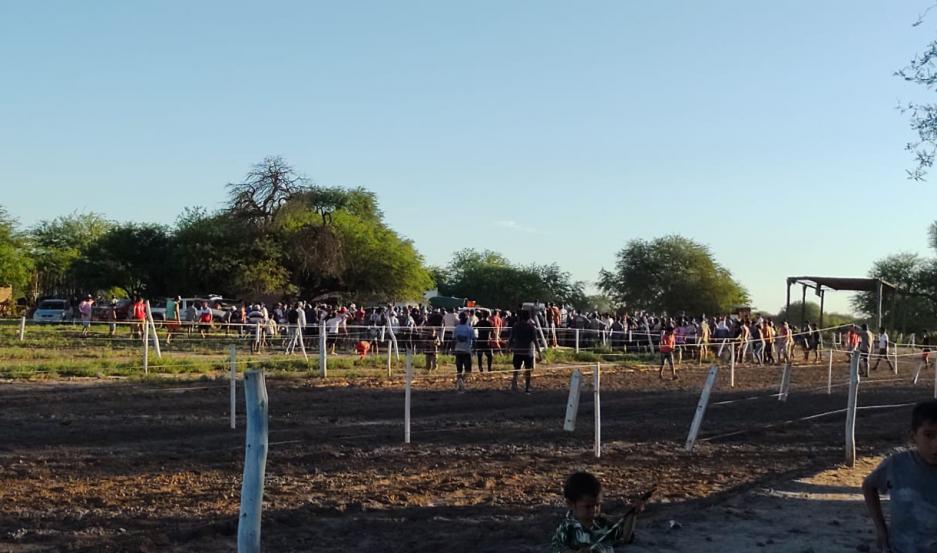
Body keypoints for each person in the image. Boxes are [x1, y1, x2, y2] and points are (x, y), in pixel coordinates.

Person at [862, 399, 937, 553]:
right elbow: (869, 486)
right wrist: (880, 529)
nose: (936, 444)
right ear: (913, 436)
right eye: (929, 435)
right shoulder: (896, 465)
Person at [551, 471, 646, 553]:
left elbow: (626, 537)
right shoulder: (567, 528)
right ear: (570, 504)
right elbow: (557, 549)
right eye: (588, 507)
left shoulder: (604, 524)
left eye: (597, 505)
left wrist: (633, 514)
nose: (594, 510)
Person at [509, 310, 539, 393]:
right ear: (529, 317)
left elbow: (511, 338)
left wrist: (508, 347)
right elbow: (535, 340)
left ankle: (514, 385)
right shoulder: (531, 327)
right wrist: (539, 352)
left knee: (516, 369)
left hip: (518, 350)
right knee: (528, 370)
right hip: (528, 351)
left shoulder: (516, 326)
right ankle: (527, 387)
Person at [453, 312, 475, 392]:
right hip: (466, 350)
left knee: (459, 370)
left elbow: (453, 339)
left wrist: (453, 350)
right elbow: (474, 340)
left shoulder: (456, 328)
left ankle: (459, 384)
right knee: (468, 370)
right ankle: (461, 382)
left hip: (458, 350)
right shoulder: (470, 329)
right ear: (467, 319)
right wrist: (474, 349)